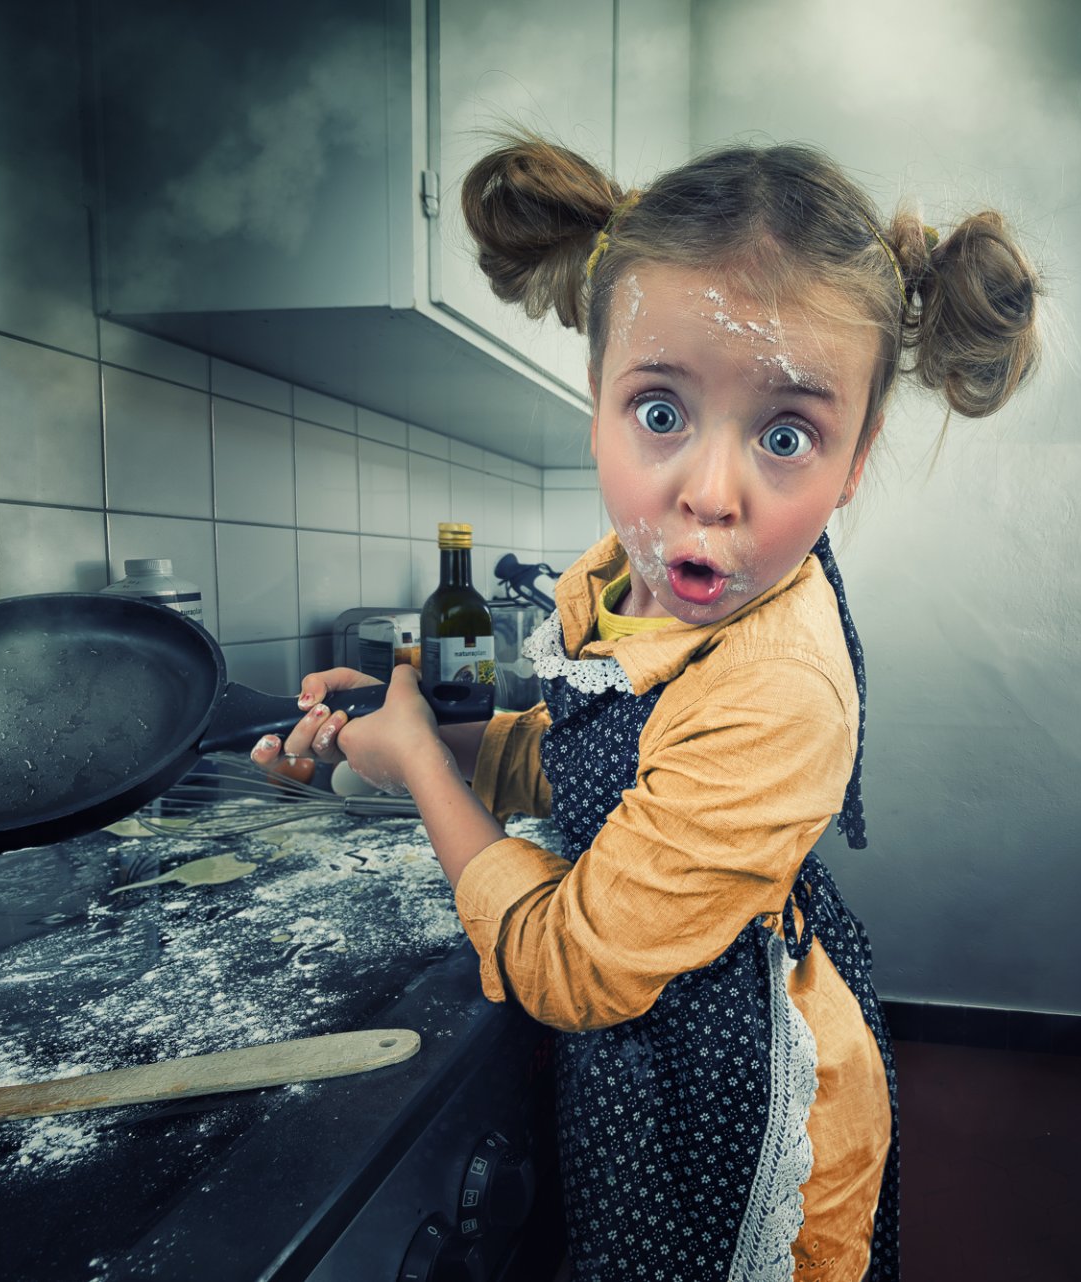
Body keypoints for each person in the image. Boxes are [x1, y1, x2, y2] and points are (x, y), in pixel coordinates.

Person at [253, 135, 1040, 1281]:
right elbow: (593, 759)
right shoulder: (635, 579)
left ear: (859, 456)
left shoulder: (778, 685)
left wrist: (424, 766)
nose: (706, 493)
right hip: (647, 1041)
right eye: (660, 414)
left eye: (786, 436)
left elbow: (569, 965)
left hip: (716, 1096)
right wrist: (424, 732)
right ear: (596, 401)